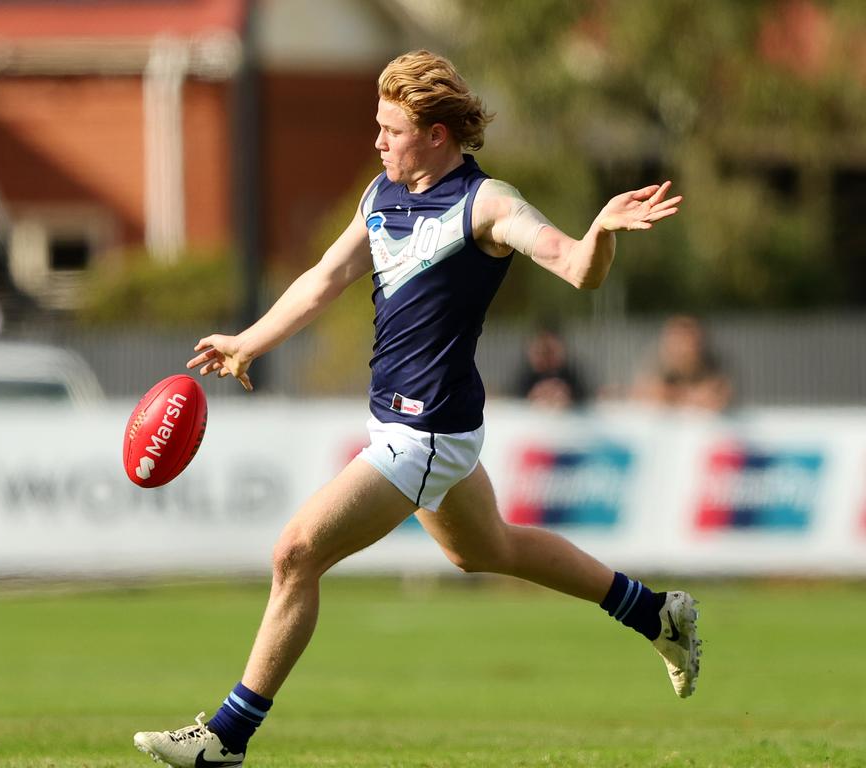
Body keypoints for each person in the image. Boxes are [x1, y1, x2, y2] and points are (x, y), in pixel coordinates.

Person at [133, 50, 699, 768]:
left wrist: (602, 235)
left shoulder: (487, 204)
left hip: (425, 431)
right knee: (486, 549)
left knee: (296, 553)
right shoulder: (381, 197)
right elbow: (322, 278)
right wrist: (249, 341)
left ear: (436, 134)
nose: (377, 141)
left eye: (390, 129)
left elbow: (573, 266)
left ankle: (226, 738)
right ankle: (657, 613)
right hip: (410, 424)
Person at [631, 314, 733, 411]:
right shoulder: (658, 361)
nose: (685, 348)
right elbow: (643, 393)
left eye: (690, 338)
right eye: (678, 339)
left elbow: (718, 396)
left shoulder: (711, 362)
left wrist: (674, 396)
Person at [514, 325, 588, 408]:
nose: (547, 356)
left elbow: (583, 397)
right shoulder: (526, 376)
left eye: (551, 351)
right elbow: (515, 398)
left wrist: (566, 395)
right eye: (542, 351)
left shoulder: (571, 374)